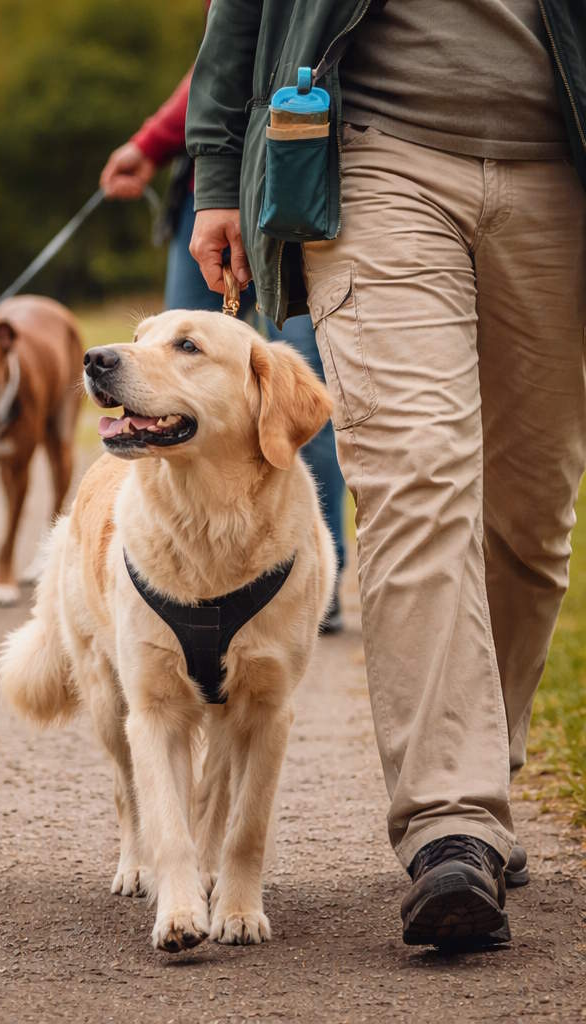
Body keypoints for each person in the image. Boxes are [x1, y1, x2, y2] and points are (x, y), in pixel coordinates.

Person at [185, 0, 585, 947]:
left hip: (560, 165)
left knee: (530, 513)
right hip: (373, 155)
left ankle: (488, 753)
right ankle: (453, 818)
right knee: (416, 478)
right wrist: (216, 171)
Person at [99, 71, 348, 633]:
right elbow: (219, 67)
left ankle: (307, 579)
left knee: (294, 401)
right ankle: (166, 580)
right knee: (162, 390)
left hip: (309, 190)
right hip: (210, 199)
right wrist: (151, 145)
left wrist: (149, 144)